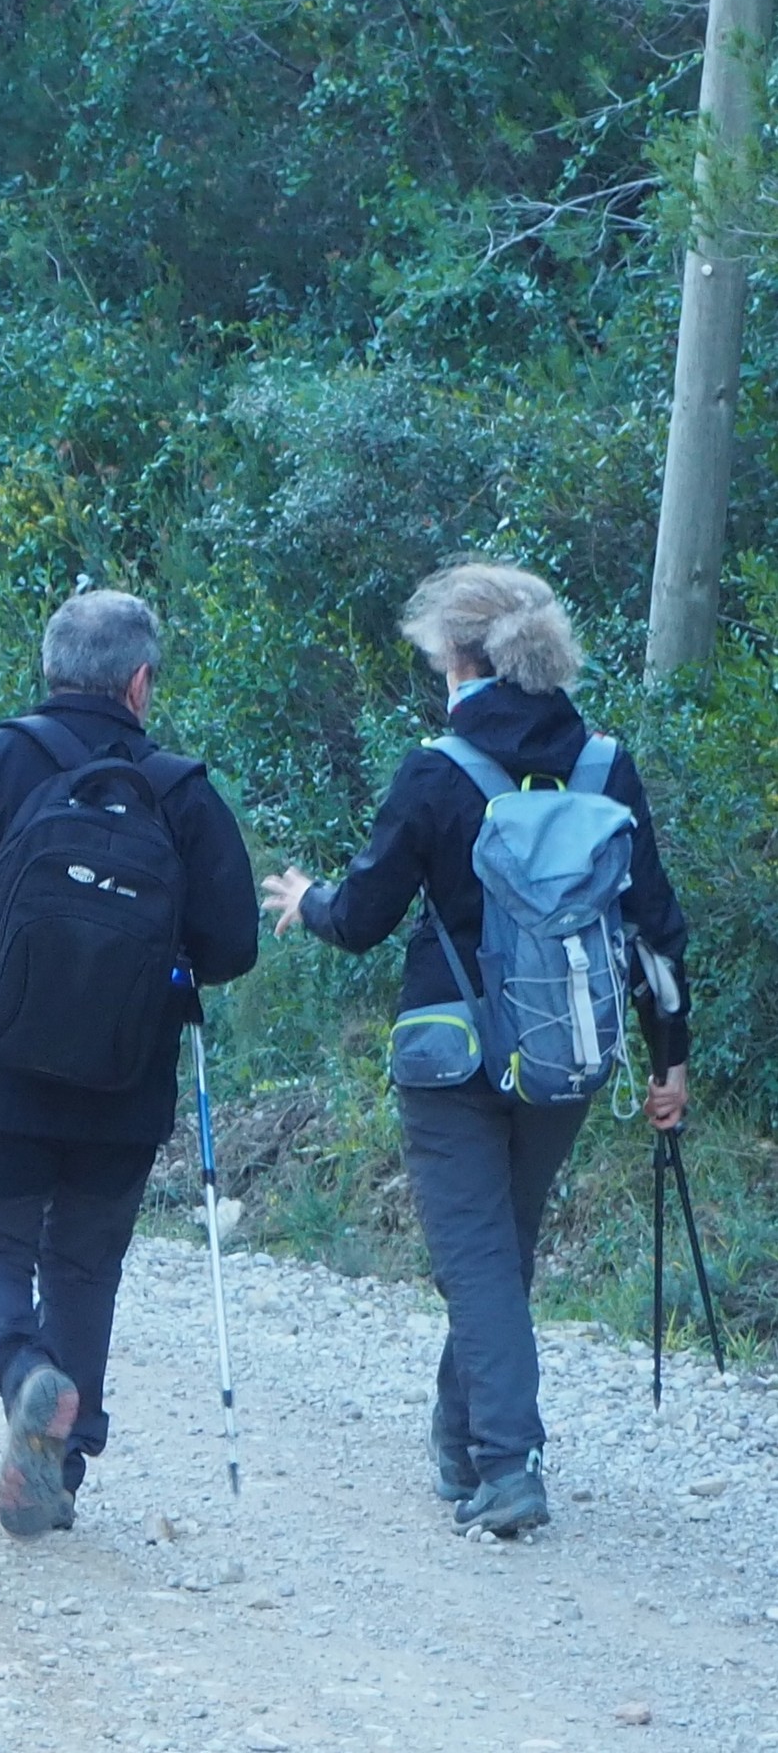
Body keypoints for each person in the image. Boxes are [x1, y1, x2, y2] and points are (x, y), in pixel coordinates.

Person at [260, 564, 692, 1541]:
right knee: (498, 1249)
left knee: (477, 1257)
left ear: (460, 659)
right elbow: (657, 927)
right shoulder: (605, 766)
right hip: (563, 1053)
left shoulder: (436, 770)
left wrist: (306, 901)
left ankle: (507, 1463)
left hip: (450, 1057)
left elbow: (361, 917)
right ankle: (461, 1442)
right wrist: (670, 1062)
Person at [0, 588, 257, 1539]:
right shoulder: (180, 790)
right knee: (85, 1266)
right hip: (124, 1079)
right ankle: (61, 1471)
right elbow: (233, 944)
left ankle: (23, 1374)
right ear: (140, 683)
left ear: (49, 670)